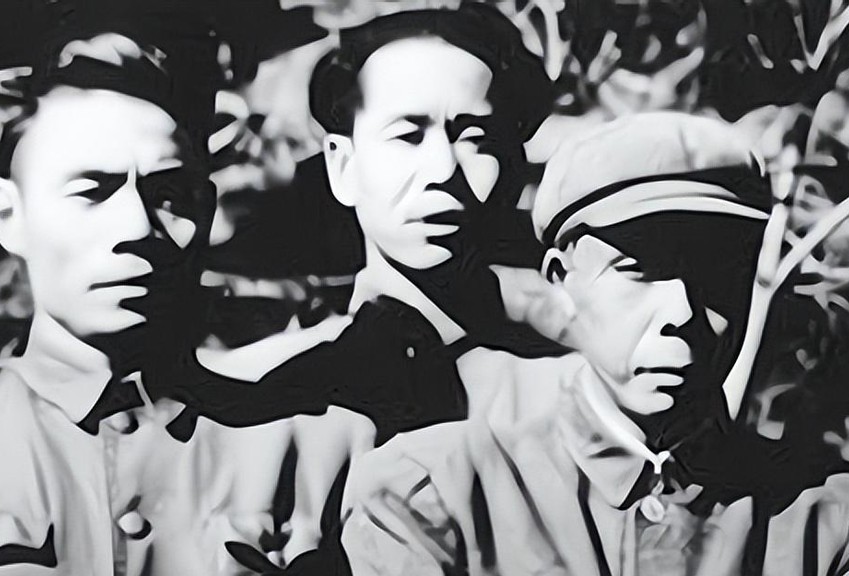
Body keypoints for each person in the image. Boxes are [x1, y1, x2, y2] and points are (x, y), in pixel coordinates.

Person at [340, 112, 849, 576]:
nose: (681, 311)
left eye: (716, 271)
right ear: (561, 282)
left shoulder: (841, 522)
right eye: (637, 268)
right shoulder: (429, 496)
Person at [0, 33, 366, 576]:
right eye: (91, 190)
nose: (137, 226)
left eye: (169, 195)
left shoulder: (317, 451)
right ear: (9, 215)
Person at [181, 2, 564, 445]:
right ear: (343, 166)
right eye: (407, 135)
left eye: (475, 139)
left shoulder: (580, 378)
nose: (442, 169)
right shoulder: (265, 399)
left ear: (513, 165)